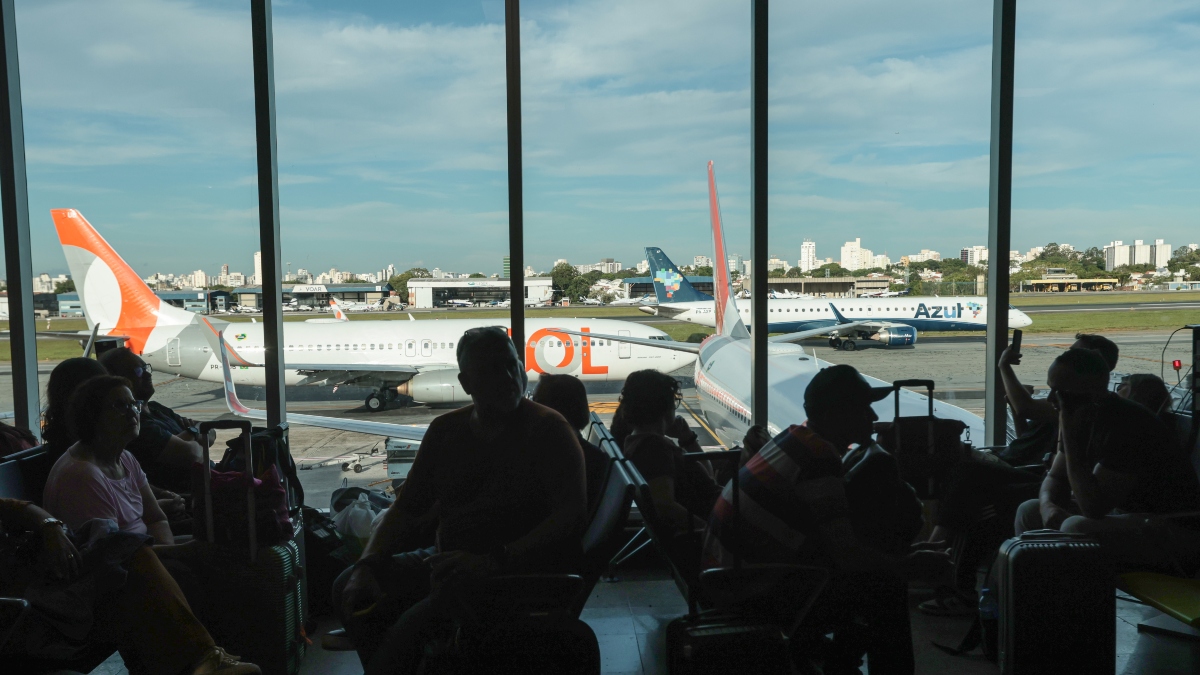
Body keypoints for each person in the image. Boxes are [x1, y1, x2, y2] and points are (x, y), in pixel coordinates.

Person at [336, 327, 587, 674]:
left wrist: (493, 560)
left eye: (511, 365)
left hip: (514, 573)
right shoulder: (445, 431)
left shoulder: (549, 430)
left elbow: (571, 517)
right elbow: (405, 508)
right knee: (347, 586)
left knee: (405, 634)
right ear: (466, 383)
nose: (508, 378)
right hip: (450, 563)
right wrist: (367, 564)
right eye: (492, 369)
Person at [703, 365, 949, 675]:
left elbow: (831, 540)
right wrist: (908, 564)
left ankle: (839, 663)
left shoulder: (794, 440)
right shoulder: (817, 460)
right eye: (863, 409)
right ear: (836, 415)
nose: (873, 417)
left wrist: (899, 556)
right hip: (750, 591)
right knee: (884, 587)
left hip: (728, 576)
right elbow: (847, 556)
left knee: (878, 574)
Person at [0, 497, 258, 673]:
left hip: (38, 579)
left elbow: (17, 508)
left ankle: (205, 659)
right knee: (128, 561)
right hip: (19, 606)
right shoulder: (79, 472)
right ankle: (205, 659)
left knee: (128, 557)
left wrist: (50, 526)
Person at [1014, 348, 1200, 567]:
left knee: (1076, 528)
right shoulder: (1081, 414)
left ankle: (1070, 587)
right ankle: (1035, 583)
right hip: (1128, 516)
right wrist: (1047, 505)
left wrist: (1070, 439)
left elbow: (1093, 507)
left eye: (1061, 392)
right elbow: (1055, 476)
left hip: (1172, 527)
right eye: (1051, 389)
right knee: (1029, 510)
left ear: (1091, 391)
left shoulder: (1128, 425)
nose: (1051, 399)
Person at [43, 357, 188, 523]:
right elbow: (115, 532)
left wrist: (158, 498)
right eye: (119, 405)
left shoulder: (119, 454)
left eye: (133, 404)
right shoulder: (83, 469)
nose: (132, 413)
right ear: (91, 406)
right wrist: (153, 508)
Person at [619, 369, 721, 536]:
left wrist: (687, 439)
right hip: (720, 517)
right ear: (664, 408)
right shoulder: (654, 448)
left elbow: (708, 476)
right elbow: (664, 505)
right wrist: (709, 533)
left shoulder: (635, 441)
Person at [99, 348, 214, 493]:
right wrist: (194, 432)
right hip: (197, 493)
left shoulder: (156, 408)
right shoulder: (135, 423)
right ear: (120, 379)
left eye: (145, 368)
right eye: (138, 371)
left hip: (212, 480)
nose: (147, 374)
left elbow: (210, 430)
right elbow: (192, 454)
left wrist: (189, 435)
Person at [531, 373, 611, 516]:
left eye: (536, 401)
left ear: (554, 410)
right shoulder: (592, 456)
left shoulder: (554, 457)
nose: (531, 407)